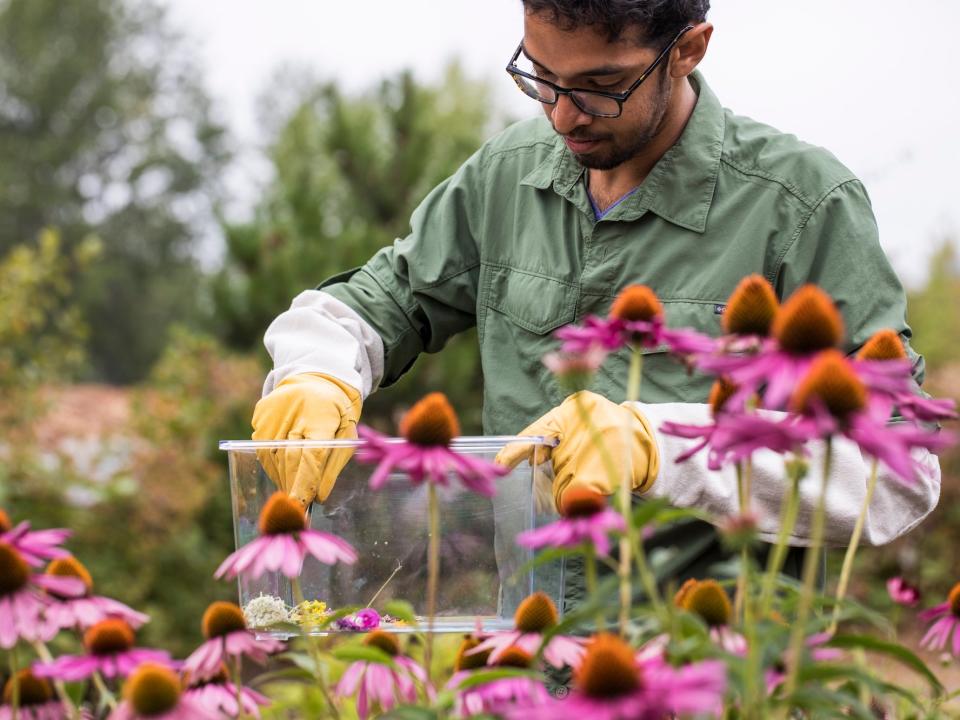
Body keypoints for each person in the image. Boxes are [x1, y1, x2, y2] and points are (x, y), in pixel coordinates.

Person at [251, 0, 941, 598]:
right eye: (540, 76)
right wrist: (320, 369)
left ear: (688, 49)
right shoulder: (504, 177)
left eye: (599, 86)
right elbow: (384, 300)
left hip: (723, 674)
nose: (560, 114)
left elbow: (897, 472)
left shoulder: (803, 208)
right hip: (532, 662)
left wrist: (660, 449)